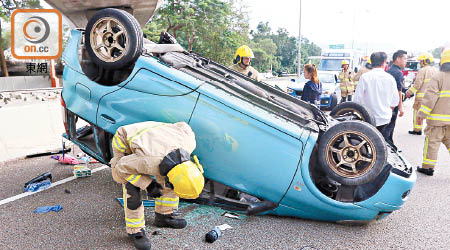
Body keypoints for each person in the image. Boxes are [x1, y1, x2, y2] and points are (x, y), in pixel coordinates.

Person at [110, 121, 205, 250]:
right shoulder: (149, 161)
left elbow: (183, 125)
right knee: (131, 186)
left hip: (155, 140)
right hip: (125, 139)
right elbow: (122, 168)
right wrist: (148, 184)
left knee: (171, 183)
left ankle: (164, 216)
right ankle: (135, 230)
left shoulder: (189, 143)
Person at [415, 49, 450, 176]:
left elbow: (430, 98)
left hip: (437, 121)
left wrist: (421, 115)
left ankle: (428, 167)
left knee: (432, 144)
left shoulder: (438, 76)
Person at [353, 52, 399, 140]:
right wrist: (388, 113)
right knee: (383, 146)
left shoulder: (365, 77)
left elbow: (357, 100)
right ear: (384, 63)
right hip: (385, 120)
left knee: (368, 145)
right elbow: (395, 101)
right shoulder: (390, 78)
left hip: (367, 119)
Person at [405, 52, 438, 135]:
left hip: (421, 98)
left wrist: (409, 92)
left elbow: (417, 84)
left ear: (425, 61)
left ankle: (417, 130)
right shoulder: (436, 70)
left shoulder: (422, 70)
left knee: (418, 113)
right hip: (434, 97)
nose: (420, 63)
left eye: (421, 61)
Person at [385, 50, 407, 145]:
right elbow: (399, 91)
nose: (406, 61)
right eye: (405, 59)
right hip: (393, 104)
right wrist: (401, 107)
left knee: (386, 126)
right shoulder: (398, 73)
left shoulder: (388, 71)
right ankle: (388, 147)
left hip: (386, 103)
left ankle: (389, 144)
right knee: (390, 127)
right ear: (398, 59)